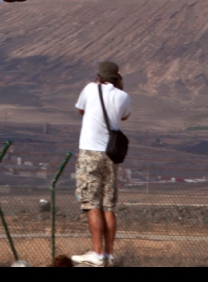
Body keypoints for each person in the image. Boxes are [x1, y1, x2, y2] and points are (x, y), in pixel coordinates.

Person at [70, 61, 132, 267]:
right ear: (117, 78)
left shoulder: (89, 89)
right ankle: (108, 254)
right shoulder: (123, 96)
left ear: (99, 77)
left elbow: (80, 110)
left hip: (90, 153)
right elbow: (125, 115)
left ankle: (96, 254)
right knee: (108, 206)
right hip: (110, 155)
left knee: (92, 204)